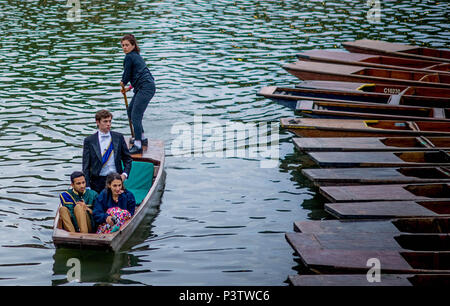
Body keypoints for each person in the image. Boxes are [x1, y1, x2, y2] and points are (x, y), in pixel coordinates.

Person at [120, 33, 156, 154]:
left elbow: (127, 74)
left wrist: (123, 82)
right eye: (123, 45)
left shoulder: (130, 57)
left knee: (135, 115)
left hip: (146, 88)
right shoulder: (135, 56)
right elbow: (137, 75)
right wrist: (129, 87)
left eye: (127, 45)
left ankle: (138, 145)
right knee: (130, 111)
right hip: (143, 87)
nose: (125, 47)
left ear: (133, 45)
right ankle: (142, 138)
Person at [82, 109, 133, 194]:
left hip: (116, 179)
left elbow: (128, 159)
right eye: (105, 121)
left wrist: (124, 174)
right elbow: (86, 165)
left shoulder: (118, 137)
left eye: (109, 121)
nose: (108, 124)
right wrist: (87, 186)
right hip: (97, 181)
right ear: (97, 122)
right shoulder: (89, 140)